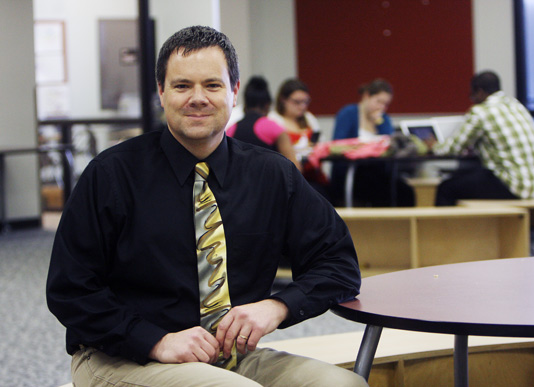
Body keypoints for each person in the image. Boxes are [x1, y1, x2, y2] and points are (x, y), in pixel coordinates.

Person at [46, 25, 366, 387]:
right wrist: (155, 340)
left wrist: (279, 306)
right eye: (182, 86)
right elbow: (70, 289)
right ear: (161, 93)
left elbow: (338, 264)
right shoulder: (112, 175)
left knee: (344, 385)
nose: (197, 98)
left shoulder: (273, 176)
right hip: (120, 355)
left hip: (227, 357)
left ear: (234, 92)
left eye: (212, 85)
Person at [430, 70, 534, 206]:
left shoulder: (481, 112)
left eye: (472, 96)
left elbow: (452, 149)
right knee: (477, 178)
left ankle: (447, 228)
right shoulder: (517, 106)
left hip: (515, 186)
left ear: (479, 92)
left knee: (446, 188)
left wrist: (433, 146)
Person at [331, 79, 415, 207]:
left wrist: (379, 124)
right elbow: (338, 143)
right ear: (366, 96)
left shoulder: (384, 119)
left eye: (386, 104)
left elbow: (389, 146)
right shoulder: (348, 113)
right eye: (379, 102)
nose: (382, 107)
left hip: (377, 171)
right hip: (352, 171)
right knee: (377, 188)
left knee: (405, 191)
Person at [269, 78, 330, 198]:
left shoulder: (309, 118)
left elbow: (322, 144)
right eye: (297, 102)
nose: (302, 106)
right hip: (288, 179)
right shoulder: (274, 120)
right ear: (283, 100)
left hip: (313, 176)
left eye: (306, 102)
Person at [226, 76, 301, 171]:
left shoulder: (231, 129)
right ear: (267, 105)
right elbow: (295, 168)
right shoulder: (273, 127)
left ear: (245, 104)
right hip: (270, 183)